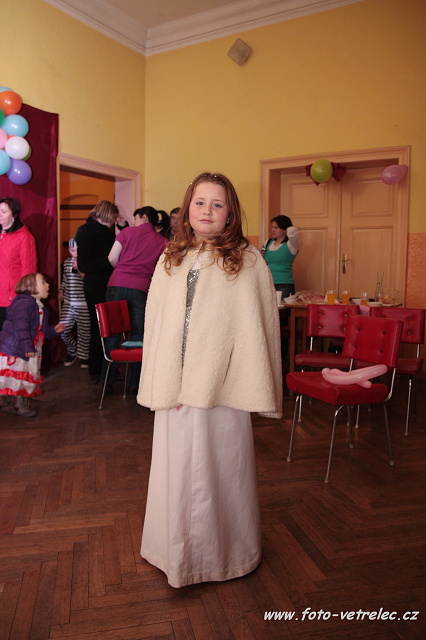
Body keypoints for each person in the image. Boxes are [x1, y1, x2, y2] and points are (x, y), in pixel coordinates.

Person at [137, 172, 282, 588]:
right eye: (200, 203)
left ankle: (226, 556)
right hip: (175, 385)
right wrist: (165, 375)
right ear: (187, 209)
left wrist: (226, 375)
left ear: (230, 213)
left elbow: (256, 328)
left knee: (222, 470)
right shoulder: (171, 257)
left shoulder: (248, 261)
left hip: (223, 389)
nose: (207, 211)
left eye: (217, 204)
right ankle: (172, 551)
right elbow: (159, 322)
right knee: (176, 469)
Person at [105, 206, 166, 391]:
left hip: (116, 284)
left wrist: (123, 269)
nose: (134, 222)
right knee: (139, 336)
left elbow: (111, 258)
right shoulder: (163, 241)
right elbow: (162, 269)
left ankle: (108, 381)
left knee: (112, 333)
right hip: (141, 287)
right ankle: (134, 384)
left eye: (136, 218)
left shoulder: (127, 232)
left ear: (144, 217)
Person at [0, 273, 64, 417]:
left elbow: (43, 330)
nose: (48, 285)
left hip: (28, 347)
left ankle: (15, 404)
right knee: (18, 377)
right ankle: (14, 404)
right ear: (31, 287)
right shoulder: (25, 303)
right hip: (17, 349)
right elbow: (20, 327)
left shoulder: (40, 307)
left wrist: (54, 330)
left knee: (22, 378)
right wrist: (27, 347)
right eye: (43, 282)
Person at [75, 200, 118, 384]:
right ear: (107, 214)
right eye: (113, 217)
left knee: (107, 325)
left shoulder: (105, 232)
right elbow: (84, 265)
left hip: (105, 282)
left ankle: (105, 368)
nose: (114, 220)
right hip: (95, 284)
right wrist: (110, 262)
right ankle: (96, 369)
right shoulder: (87, 232)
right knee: (98, 325)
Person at [0, 197, 37, 330]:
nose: (0, 215)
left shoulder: (24, 237)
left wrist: (24, 299)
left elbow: (28, 270)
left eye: (4, 212)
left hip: (11, 300)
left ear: (14, 214)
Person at [58, 238, 90, 369]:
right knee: (62, 329)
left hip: (83, 303)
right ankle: (73, 351)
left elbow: (90, 281)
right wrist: (61, 290)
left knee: (84, 332)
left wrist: (80, 269)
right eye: (72, 250)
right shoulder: (67, 263)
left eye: (77, 250)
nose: (75, 253)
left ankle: (84, 356)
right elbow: (65, 279)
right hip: (68, 302)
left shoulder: (87, 262)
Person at [262, 215, 299, 299]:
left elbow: (293, 232)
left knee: (282, 307)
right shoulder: (268, 242)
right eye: (272, 227)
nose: (272, 230)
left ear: (285, 229)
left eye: (276, 227)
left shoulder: (291, 244)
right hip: (267, 283)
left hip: (284, 285)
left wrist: (287, 227)